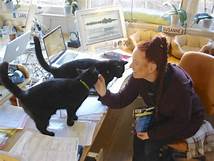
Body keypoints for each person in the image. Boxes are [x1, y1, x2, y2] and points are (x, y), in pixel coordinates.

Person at [95, 36, 204, 161]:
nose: (131, 66)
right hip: (162, 114)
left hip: (187, 121)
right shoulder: (139, 77)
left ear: (151, 68)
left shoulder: (179, 85)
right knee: (139, 136)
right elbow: (122, 99)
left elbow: (181, 121)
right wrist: (104, 94)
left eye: (135, 62)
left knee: (150, 144)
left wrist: (152, 134)